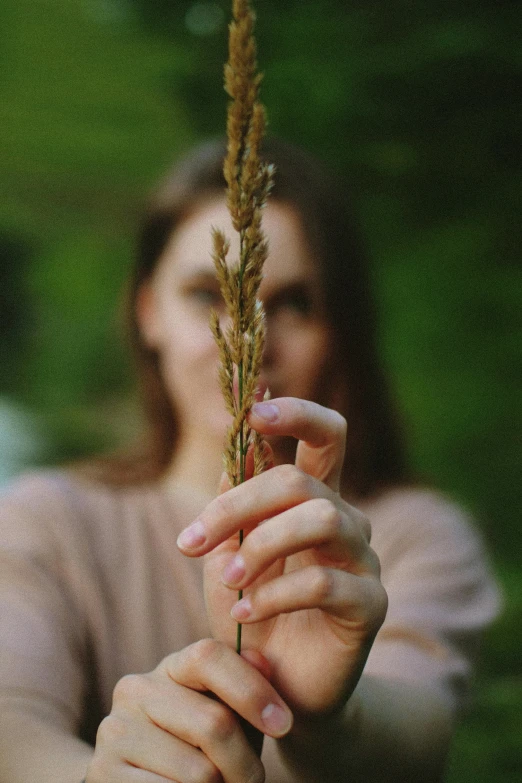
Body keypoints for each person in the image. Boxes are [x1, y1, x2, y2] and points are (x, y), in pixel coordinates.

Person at [0, 138, 500, 783]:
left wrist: (328, 718)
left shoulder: (406, 532)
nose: (247, 338)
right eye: (210, 295)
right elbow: (11, 726)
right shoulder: (48, 519)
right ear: (148, 312)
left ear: (340, 331)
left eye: (293, 303)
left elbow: (418, 733)